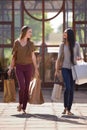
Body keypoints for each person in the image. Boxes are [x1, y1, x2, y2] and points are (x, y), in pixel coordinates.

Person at [8, 25, 39, 114]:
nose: (31, 34)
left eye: (31, 32)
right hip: (19, 67)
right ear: (24, 32)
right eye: (29, 32)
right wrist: (10, 68)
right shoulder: (17, 43)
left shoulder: (31, 44)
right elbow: (14, 57)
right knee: (22, 86)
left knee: (26, 88)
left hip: (28, 67)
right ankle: (20, 103)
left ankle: (23, 107)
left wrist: (36, 69)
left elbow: (33, 57)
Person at [55, 28, 81, 115]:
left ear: (69, 34)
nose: (64, 34)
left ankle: (68, 109)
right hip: (65, 68)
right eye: (63, 33)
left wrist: (79, 58)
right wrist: (56, 70)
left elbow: (79, 56)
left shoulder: (76, 44)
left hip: (74, 69)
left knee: (71, 90)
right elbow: (58, 58)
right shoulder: (62, 45)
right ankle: (65, 107)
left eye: (65, 33)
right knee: (68, 87)